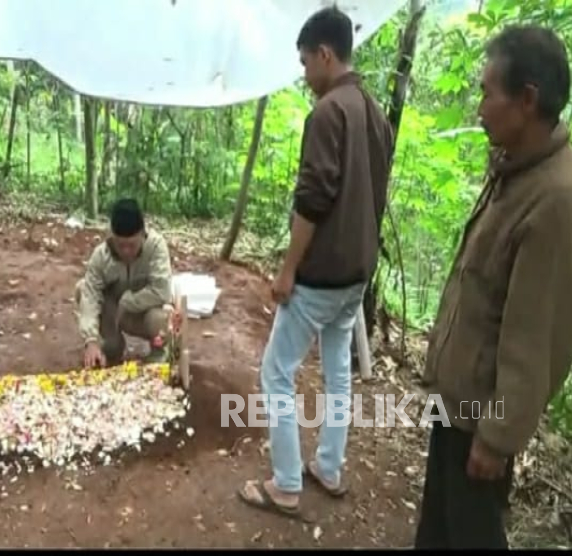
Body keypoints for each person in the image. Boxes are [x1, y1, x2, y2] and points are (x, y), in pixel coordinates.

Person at [415, 25, 572, 549]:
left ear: (527, 99)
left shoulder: (555, 199)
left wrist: (498, 436)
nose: (480, 108)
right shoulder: (515, 172)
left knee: (469, 533)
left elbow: (536, 337)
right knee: (437, 532)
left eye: (487, 93)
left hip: (480, 424)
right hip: (456, 404)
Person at [237, 6, 394, 516]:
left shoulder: (328, 112)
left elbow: (314, 197)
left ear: (326, 54)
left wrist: (288, 270)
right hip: (356, 274)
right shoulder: (373, 111)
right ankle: (329, 465)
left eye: (306, 63)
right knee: (336, 371)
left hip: (323, 273)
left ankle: (285, 484)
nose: (304, 75)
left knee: (276, 373)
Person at [76, 198, 173, 368]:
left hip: (141, 314)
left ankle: (159, 354)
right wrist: (90, 340)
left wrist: (128, 302)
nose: (126, 251)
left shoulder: (156, 247)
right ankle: (112, 347)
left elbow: (161, 291)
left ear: (143, 234)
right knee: (82, 288)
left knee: (161, 319)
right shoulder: (101, 255)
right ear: (112, 236)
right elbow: (90, 296)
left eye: (132, 245)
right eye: (121, 245)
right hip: (113, 314)